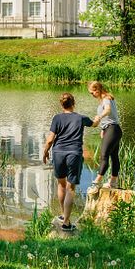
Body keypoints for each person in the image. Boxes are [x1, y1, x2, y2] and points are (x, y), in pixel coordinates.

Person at [42, 92, 94, 231]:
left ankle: (63, 215)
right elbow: (94, 124)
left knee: (61, 185)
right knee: (71, 188)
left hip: (58, 153)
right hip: (74, 154)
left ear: (61, 105)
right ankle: (66, 222)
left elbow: (50, 140)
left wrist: (45, 152)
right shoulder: (81, 118)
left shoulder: (57, 118)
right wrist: (101, 115)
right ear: (73, 103)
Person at [88, 81, 122, 189]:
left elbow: (108, 110)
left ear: (97, 90)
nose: (91, 95)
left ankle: (97, 182)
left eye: (92, 93)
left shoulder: (107, 99)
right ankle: (113, 182)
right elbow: (110, 116)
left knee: (104, 155)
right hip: (112, 130)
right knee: (114, 156)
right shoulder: (105, 99)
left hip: (112, 129)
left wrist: (99, 117)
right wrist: (103, 129)